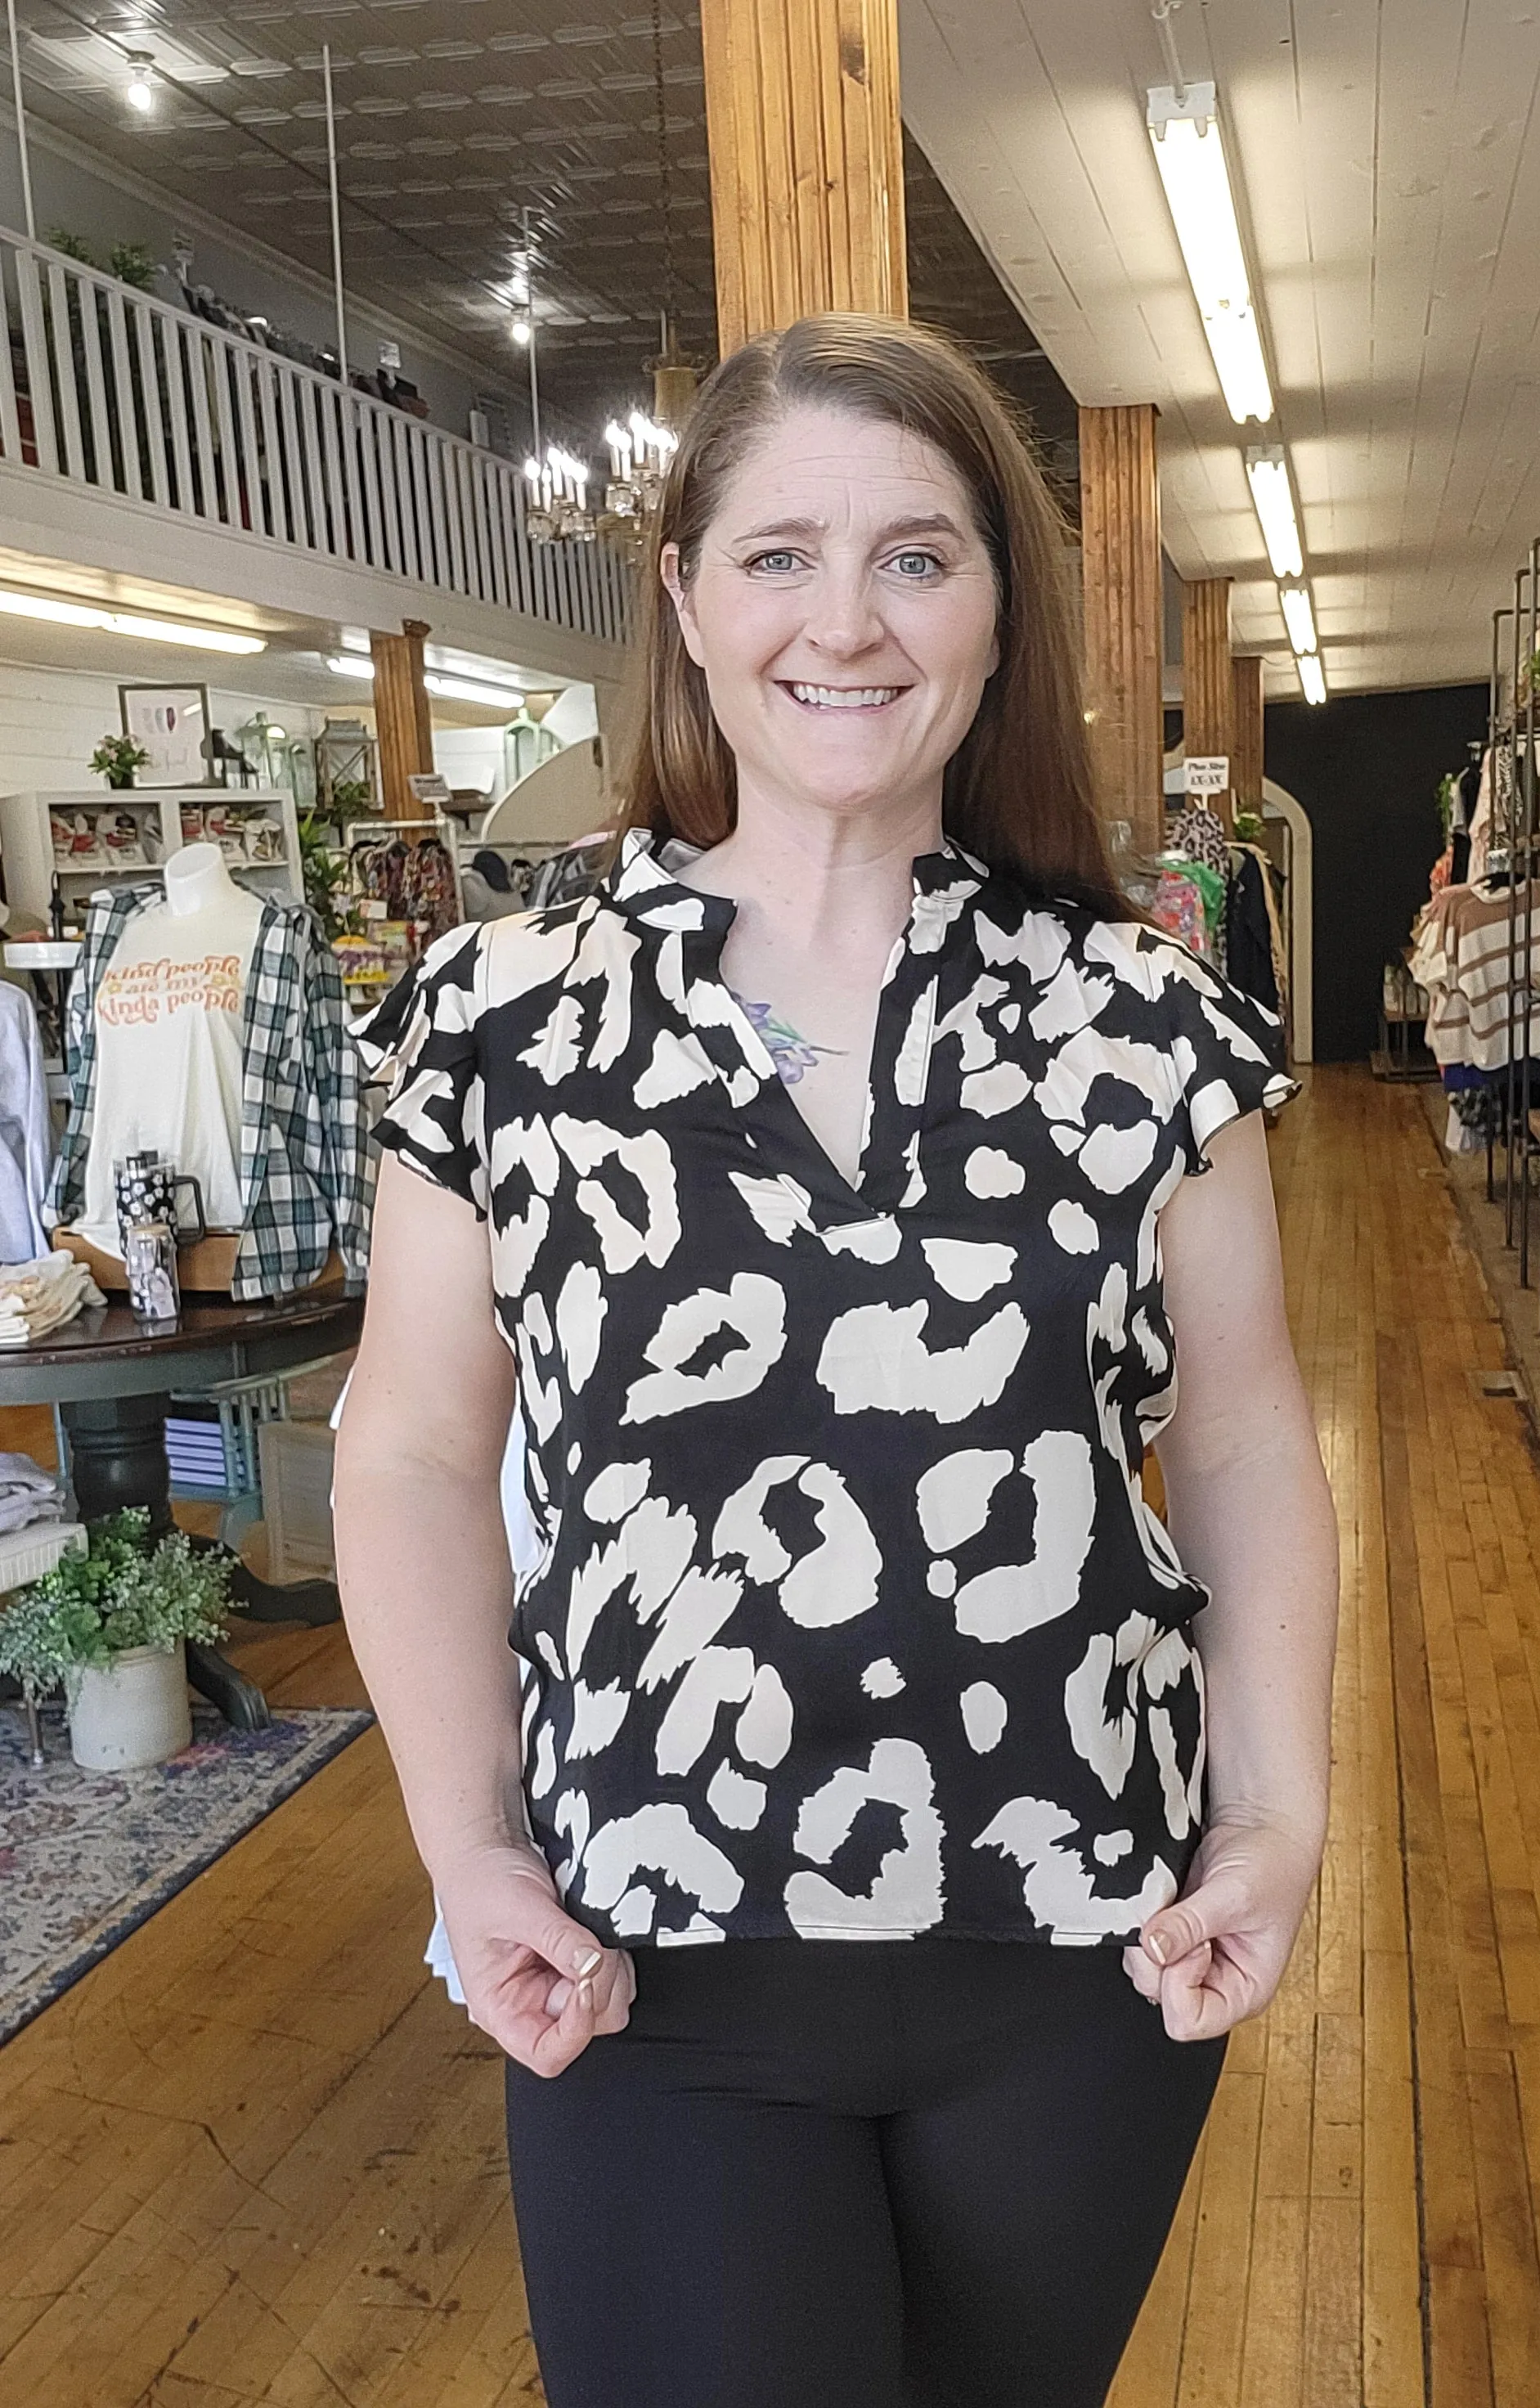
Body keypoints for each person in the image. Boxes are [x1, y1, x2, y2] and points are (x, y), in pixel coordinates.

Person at [334, 312, 1339, 2408]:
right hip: (648, 1956)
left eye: (918, 553)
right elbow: (417, 1449)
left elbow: (1242, 1437)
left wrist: (1275, 1810)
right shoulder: (505, 1014)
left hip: (1080, 1951)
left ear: (997, 614)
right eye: (779, 552)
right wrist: (467, 1841)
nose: (847, 621)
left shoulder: (1144, 1021)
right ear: (685, 595)